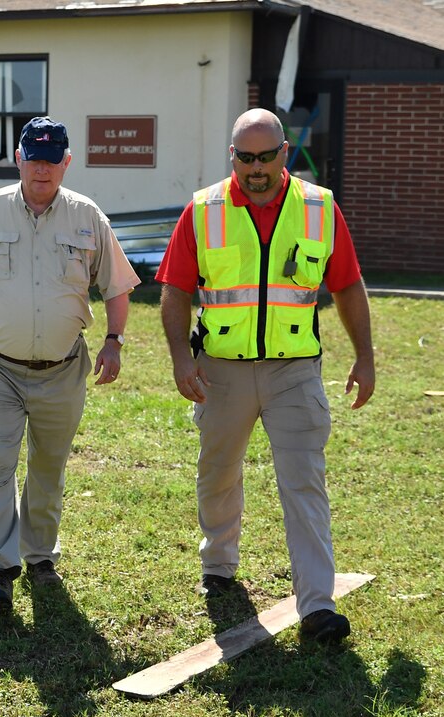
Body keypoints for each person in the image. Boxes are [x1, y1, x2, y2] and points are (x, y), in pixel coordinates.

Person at [156, 108, 374, 642]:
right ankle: (219, 567)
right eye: (245, 158)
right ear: (233, 156)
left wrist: (364, 355)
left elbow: (346, 284)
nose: (256, 169)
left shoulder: (320, 207)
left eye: (266, 157)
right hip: (221, 372)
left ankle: (318, 606)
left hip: (294, 370)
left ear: (285, 153)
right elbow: (176, 288)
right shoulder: (203, 210)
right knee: (218, 473)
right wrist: (182, 360)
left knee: (304, 483)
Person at [0, 116, 141, 613]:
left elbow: (117, 285)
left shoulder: (87, 217)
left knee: (48, 467)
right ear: (18, 159)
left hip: (62, 370)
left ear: (67, 161)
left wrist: (114, 341)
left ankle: (40, 557)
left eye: (53, 160)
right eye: (34, 158)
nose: (42, 169)